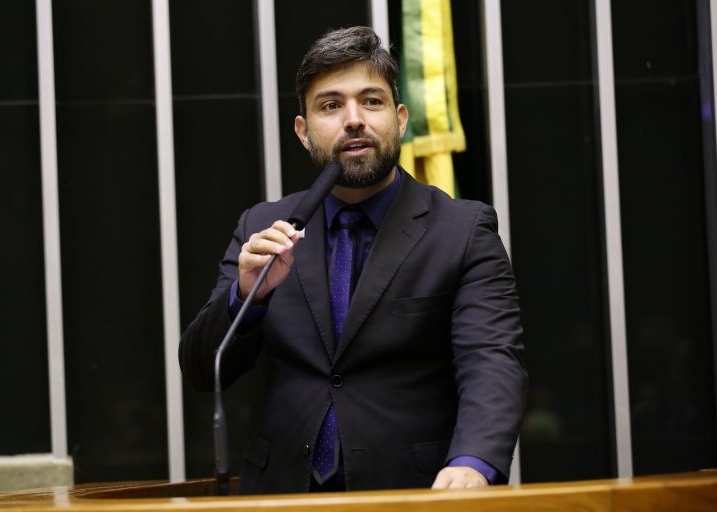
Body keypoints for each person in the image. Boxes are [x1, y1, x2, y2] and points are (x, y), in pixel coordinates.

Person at [179, 26, 527, 494]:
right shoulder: (262, 226)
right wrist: (248, 296)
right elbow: (204, 368)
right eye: (330, 105)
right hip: (281, 493)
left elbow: (491, 359)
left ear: (400, 119)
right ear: (303, 131)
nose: (354, 119)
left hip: (414, 492)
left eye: (372, 101)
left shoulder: (462, 230)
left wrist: (473, 462)